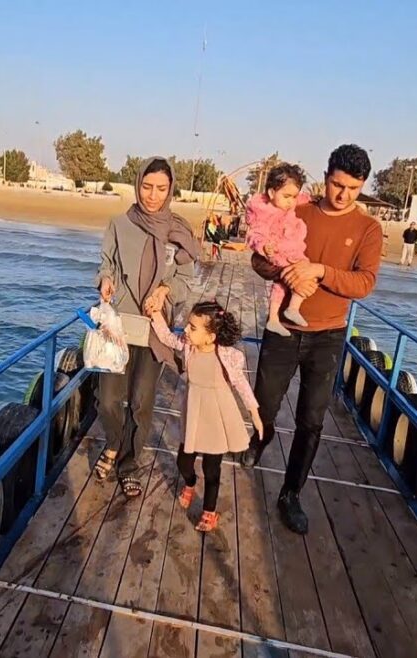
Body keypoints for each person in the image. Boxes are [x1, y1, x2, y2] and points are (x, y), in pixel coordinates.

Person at [241, 144, 383, 535]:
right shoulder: (296, 208)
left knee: (312, 420)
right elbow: (257, 259)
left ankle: (291, 493)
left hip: (328, 335)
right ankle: (260, 440)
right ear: (326, 177)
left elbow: (364, 282)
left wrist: (318, 270)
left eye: (353, 188)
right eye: (338, 185)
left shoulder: (368, 228)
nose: (343, 195)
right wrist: (282, 272)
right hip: (283, 332)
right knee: (264, 402)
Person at [94, 157, 200, 498]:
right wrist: (106, 280)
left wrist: (165, 291)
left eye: (161, 188)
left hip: (155, 328)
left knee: (141, 401)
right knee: (108, 399)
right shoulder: (119, 223)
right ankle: (113, 443)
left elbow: (185, 279)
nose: (152, 195)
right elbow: (106, 262)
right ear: (137, 184)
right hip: (119, 327)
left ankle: (128, 463)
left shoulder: (179, 231)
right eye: (146, 187)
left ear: (171, 191)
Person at [148, 300, 262, 532]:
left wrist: (255, 414)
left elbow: (241, 385)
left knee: (212, 470)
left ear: (211, 336)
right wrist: (156, 315)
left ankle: (209, 511)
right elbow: (167, 337)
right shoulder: (188, 345)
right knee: (184, 462)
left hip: (218, 416)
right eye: (188, 326)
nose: (186, 330)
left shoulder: (228, 357)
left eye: (192, 327)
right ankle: (190, 482)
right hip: (194, 410)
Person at [246, 163, 313, 337]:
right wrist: (263, 247)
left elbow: (303, 198)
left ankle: (278, 316)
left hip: (290, 247)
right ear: (271, 193)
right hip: (278, 250)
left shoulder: (288, 204)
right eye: (287, 196)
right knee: (298, 273)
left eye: (294, 197)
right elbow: (255, 234)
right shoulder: (263, 212)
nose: (291, 202)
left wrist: (314, 199)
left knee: (282, 283)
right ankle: (290, 309)